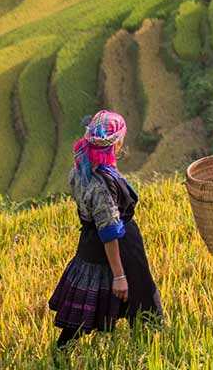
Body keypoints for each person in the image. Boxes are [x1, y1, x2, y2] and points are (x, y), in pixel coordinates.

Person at [46, 111, 162, 347]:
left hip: (92, 242)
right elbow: (109, 230)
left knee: (93, 297)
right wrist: (119, 275)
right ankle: (148, 346)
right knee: (137, 295)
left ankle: (142, 346)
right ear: (116, 143)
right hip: (117, 245)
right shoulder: (101, 183)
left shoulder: (82, 169)